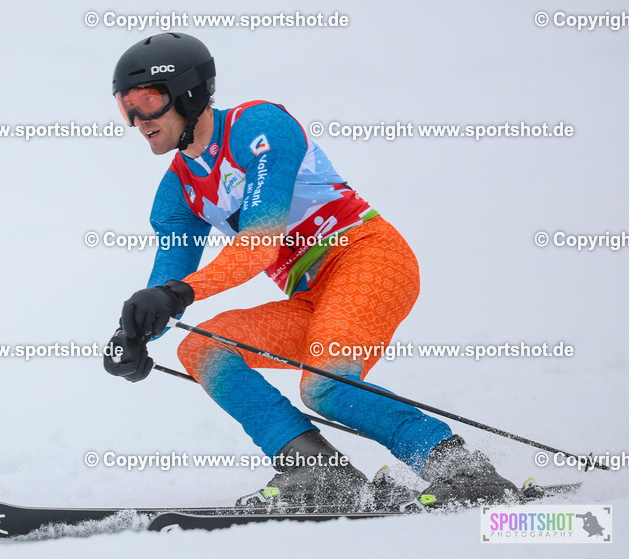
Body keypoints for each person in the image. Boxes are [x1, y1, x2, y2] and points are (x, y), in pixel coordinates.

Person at [103, 32, 518, 510]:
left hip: (366, 258)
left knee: (325, 387)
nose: (138, 120)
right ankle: (317, 470)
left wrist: (177, 295)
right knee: (202, 347)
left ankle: (462, 471)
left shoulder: (259, 126)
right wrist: (133, 333)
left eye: (148, 102)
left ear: (190, 94)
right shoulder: (179, 189)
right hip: (310, 295)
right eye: (125, 106)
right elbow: (166, 282)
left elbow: (258, 244)